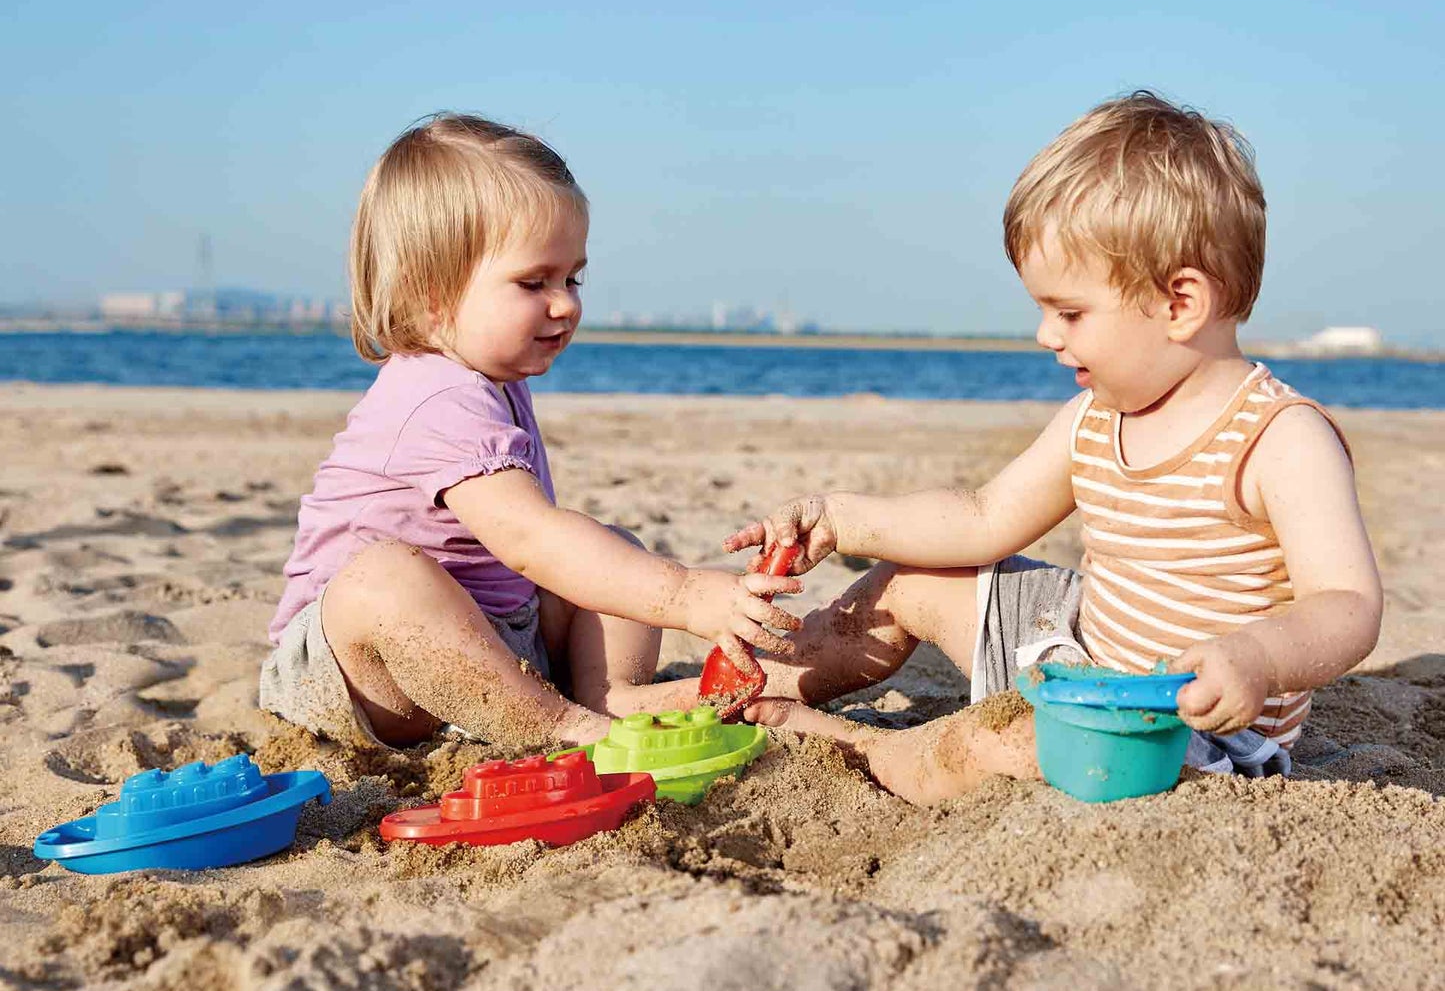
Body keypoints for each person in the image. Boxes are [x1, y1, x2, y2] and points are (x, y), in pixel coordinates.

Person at [724, 92, 1383, 803]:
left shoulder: (1280, 439)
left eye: (1068, 311)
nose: (1045, 334)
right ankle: (769, 684)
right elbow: (981, 517)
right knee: (912, 578)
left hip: (1190, 724)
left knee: (1012, 740)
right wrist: (842, 518)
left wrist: (1255, 656)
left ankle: (869, 748)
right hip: (1079, 657)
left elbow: (1347, 604)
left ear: (1180, 303)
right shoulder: (1091, 417)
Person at [261, 114, 800, 750]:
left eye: (572, 278)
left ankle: (607, 697)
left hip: (489, 642)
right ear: (431, 293)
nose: (566, 302)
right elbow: (529, 540)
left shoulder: (493, 378)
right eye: (532, 282)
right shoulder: (435, 394)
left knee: (607, 544)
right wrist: (685, 596)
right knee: (387, 577)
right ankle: (561, 724)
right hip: (361, 672)